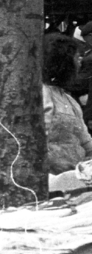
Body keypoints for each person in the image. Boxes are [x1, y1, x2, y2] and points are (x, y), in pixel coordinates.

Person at [43, 36, 92, 174]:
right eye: (77, 57)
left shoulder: (69, 100)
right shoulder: (42, 94)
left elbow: (86, 141)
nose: (80, 62)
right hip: (50, 178)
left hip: (72, 176)